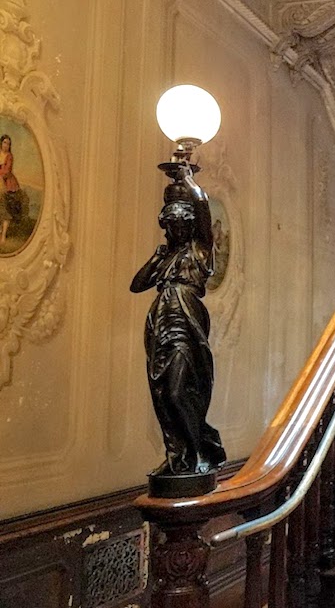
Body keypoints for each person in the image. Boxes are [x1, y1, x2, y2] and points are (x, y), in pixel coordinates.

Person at [131, 162, 226, 477]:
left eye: (182, 226)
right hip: (160, 323)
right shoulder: (165, 256)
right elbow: (137, 285)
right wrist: (158, 257)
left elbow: (202, 211)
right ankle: (178, 458)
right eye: (171, 226)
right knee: (162, 394)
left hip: (186, 320)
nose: (177, 231)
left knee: (177, 391)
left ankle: (201, 447)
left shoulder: (199, 251)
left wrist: (189, 179)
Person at [0, 134, 23, 246]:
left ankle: (3, 236)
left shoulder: (9, 156)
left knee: (4, 208)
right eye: (4, 143)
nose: (6, 145)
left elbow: (6, 171)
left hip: (7, 184)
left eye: (8, 144)